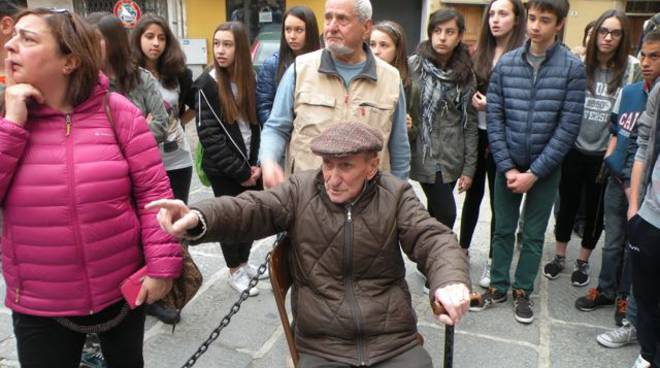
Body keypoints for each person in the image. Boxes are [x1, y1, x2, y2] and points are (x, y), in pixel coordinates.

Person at [148, 122, 471, 368]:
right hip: (323, 342)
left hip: (390, 339)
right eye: (328, 164)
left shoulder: (395, 194)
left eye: (346, 166)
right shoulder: (301, 190)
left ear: (372, 167)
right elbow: (251, 208)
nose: (332, 177)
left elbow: (432, 237)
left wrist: (450, 280)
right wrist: (198, 216)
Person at [0, 8, 182, 367]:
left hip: (120, 295)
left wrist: (162, 269)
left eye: (28, 39)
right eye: (12, 36)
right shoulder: (7, 117)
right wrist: (12, 126)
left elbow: (154, 193)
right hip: (40, 303)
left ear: (69, 61)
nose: (10, 45)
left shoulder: (118, 112)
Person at [471, 0, 586, 324]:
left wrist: (535, 173)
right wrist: (507, 167)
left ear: (559, 24)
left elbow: (568, 127)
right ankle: (498, 286)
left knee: (534, 235)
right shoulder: (507, 64)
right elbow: (495, 117)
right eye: (532, 18)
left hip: (545, 169)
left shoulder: (572, 68)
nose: (535, 26)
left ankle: (523, 291)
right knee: (502, 229)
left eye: (544, 20)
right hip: (508, 162)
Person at [258, 0, 410, 188]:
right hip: (308, 197)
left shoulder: (390, 79)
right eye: (328, 18)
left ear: (366, 27)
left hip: (369, 202)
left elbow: (399, 150)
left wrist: (397, 198)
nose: (332, 27)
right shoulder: (300, 70)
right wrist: (268, 161)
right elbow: (276, 128)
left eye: (342, 19)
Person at [544, 9, 641, 288]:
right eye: (603, 31)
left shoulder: (630, 68)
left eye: (615, 33)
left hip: (605, 152)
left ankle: (583, 261)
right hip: (573, 146)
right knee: (566, 204)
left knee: (594, 211)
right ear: (595, 32)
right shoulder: (579, 63)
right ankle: (560, 256)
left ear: (623, 38)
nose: (608, 38)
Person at [578, 31, 660, 344]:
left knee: (635, 248)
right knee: (613, 242)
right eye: (645, 55)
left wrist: (635, 189)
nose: (648, 62)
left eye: (656, 56)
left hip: (645, 190)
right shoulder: (629, 92)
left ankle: (627, 301)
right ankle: (606, 289)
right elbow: (617, 132)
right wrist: (614, 165)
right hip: (617, 181)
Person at [193, 22, 265, 296]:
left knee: (251, 218)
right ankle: (234, 270)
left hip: (251, 165)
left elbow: (256, 125)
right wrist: (241, 172)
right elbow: (210, 137)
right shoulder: (206, 84)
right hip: (225, 171)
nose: (220, 50)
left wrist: (256, 165)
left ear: (241, 49)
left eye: (228, 44)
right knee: (229, 220)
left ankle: (245, 263)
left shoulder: (250, 79)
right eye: (217, 44)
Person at [460, 0, 527, 289]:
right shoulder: (480, 51)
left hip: (505, 138)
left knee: (500, 204)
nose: (495, 20)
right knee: (472, 197)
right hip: (478, 134)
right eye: (492, 14)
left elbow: (526, 102)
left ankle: (492, 259)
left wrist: (493, 105)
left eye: (503, 14)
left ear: (516, 18)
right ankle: (461, 252)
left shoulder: (523, 55)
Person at [408, 9, 477, 233]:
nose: (442, 37)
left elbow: (469, 123)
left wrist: (469, 168)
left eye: (449, 32)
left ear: (459, 37)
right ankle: (442, 258)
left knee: (436, 212)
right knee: (447, 213)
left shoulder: (466, 74)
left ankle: (427, 257)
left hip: (452, 155)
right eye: (437, 31)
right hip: (423, 152)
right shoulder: (413, 66)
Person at [85, 13, 169, 146]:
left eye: (95, 39)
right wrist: (139, 129)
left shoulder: (142, 78)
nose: (88, 46)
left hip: (139, 163)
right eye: (85, 40)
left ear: (115, 42)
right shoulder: (82, 82)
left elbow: (161, 126)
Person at [626, 80, 660, 368]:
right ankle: (647, 353)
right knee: (647, 298)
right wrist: (634, 207)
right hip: (649, 216)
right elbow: (643, 145)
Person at [256, 5, 320, 126]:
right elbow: (264, 107)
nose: (292, 36)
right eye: (288, 29)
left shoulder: (323, 63)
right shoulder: (272, 65)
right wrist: (281, 134)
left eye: (299, 30)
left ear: (310, 31)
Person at [369, 20, 412, 129]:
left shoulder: (409, 86)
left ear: (397, 50)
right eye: (372, 44)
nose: (376, 51)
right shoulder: (362, 78)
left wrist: (409, 127)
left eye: (384, 45)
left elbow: (416, 130)